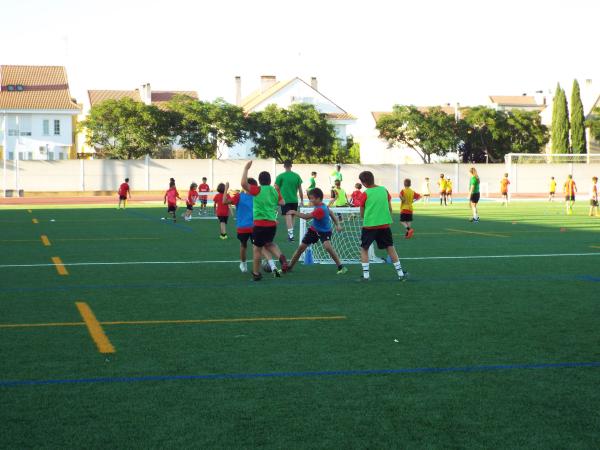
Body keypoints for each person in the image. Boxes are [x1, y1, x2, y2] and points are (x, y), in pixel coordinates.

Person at [241, 161, 288, 280]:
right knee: (269, 244)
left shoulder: (258, 190)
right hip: (272, 224)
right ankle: (281, 257)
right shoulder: (274, 191)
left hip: (260, 224)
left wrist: (246, 169)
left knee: (257, 249)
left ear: (260, 180)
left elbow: (243, 184)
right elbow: (282, 202)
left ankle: (256, 274)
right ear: (270, 180)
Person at [357, 170, 407, 281]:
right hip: (384, 225)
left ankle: (366, 276)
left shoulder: (365, 194)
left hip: (369, 226)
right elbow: (390, 208)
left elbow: (361, 212)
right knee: (390, 248)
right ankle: (401, 274)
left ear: (364, 183)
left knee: (364, 249)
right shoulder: (384, 190)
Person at [287, 188, 348, 274]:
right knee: (301, 248)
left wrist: (294, 212)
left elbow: (306, 217)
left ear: (319, 198)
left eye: (312, 198)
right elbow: (331, 213)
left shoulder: (320, 209)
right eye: (310, 198)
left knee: (328, 247)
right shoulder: (321, 206)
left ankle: (341, 267)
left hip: (325, 231)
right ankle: (289, 267)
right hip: (314, 230)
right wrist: (337, 224)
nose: (311, 200)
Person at [224, 178, 257, 272]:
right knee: (256, 247)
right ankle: (254, 266)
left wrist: (226, 189)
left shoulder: (239, 196)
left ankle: (243, 264)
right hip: (254, 226)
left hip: (243, 227)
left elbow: (224, 201)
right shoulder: (256, 196)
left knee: (243, 246)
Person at [275, 160, 303, 242]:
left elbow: (276, 188)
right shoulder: (297, 176)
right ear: (291, 166)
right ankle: (291, 234)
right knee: (292, 217)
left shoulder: (280, 176)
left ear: (284, 166)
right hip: (294, 200)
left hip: (285, 200)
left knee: (288, 217)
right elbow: (300, 189)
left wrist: (278, 198)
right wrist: (301, 200)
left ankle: (291, 236)